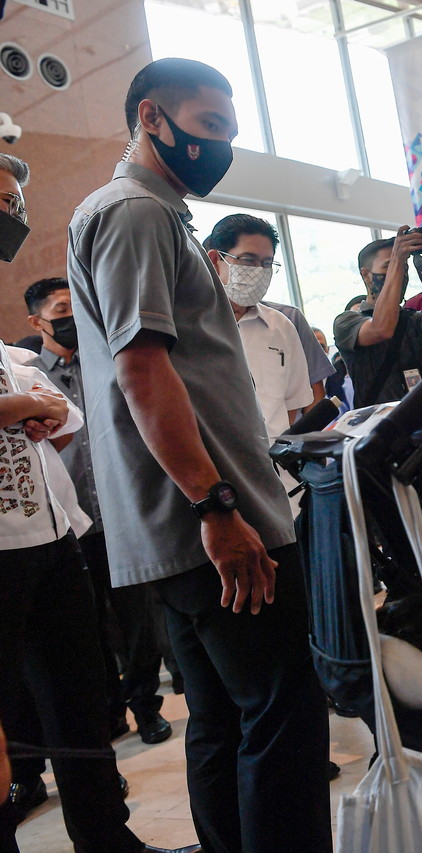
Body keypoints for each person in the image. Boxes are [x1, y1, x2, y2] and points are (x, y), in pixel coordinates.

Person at [67, 58, 330, 852]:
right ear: (152, 117)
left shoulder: (147, 214)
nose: (221, 145)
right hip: (208, 521)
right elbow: (141, 370)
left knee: (224, 716)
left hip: (186, 522)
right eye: (209, 126)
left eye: (230, 132)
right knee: (282, 713)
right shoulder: (135, 212)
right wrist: (215, 505)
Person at [2, 153, 194, 853]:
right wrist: (19, 404)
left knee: (80, 703)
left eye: (17, 201)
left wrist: (36, 404)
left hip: (49, 536)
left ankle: (108, 839)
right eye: (2, 199)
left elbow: (63, 412)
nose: (12, 216)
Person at [22, 277, 173, 746]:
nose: (69, 319)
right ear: (37, 321)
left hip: (122, 509)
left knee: (137, 619)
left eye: (74, 309)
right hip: (67, 520)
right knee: (87, 628)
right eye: (60, 311)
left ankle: (146, 707)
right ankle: (109, 712)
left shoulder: (104, 360)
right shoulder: (28, 373)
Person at [202, 215, 312, 442]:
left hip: (278, 468)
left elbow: (292, 404)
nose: (259, 271)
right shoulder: (192, 324)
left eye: (267, 263)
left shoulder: (281, 326)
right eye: (248, 260)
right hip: (221, 468)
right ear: (215, 260)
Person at [333, 229, 422, 408]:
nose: (400, 275)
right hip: (376, 425)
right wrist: (398, 259)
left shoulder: (414, 318)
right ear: (366, 275)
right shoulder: (347, 321)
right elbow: (381, 328)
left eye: (404, 269)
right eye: (389, 267)